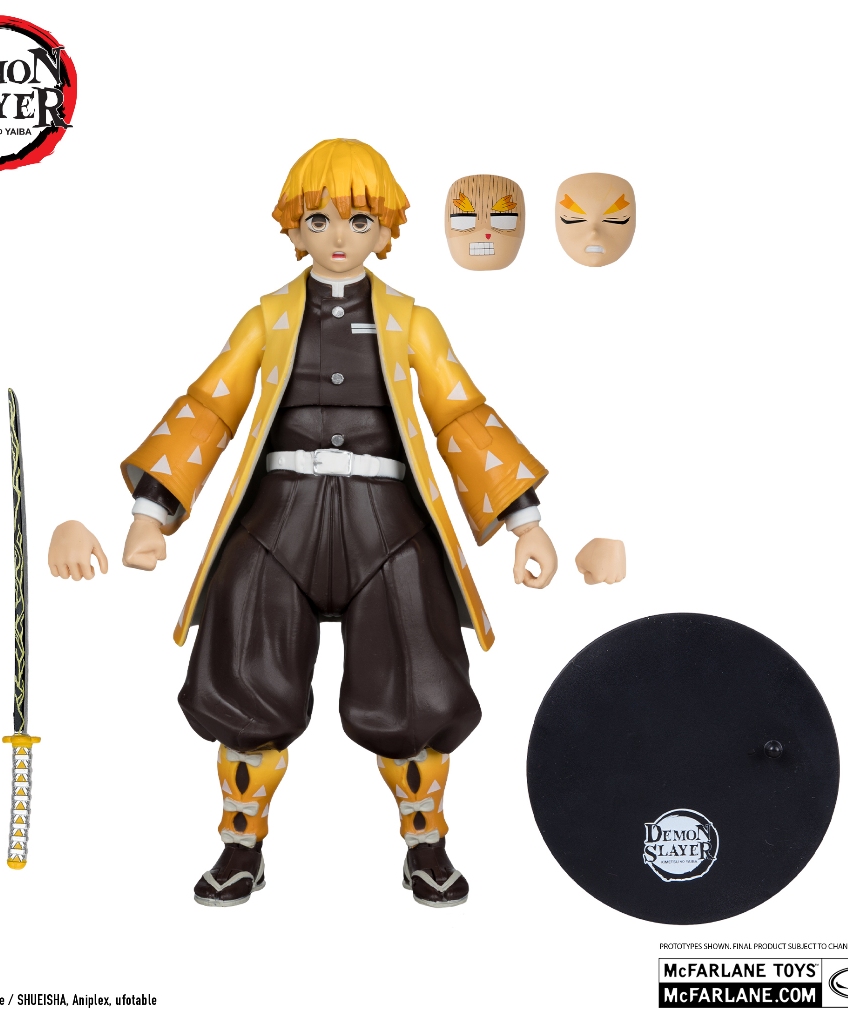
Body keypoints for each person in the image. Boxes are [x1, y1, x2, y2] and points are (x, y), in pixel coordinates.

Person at [49, 139, 625, 907]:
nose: (339, 237)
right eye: (319, 220)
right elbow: (211, 406)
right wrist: (151, 511)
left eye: (359, 219)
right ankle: (240, 846)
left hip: (387, 524)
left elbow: (460, 415)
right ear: (293, 228)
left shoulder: (411, 321)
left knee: (418, 683)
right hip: (276, 520)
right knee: (244, 680)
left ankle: (426, 844)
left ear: (386, 229)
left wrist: (526, 520)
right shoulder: (268, 319)